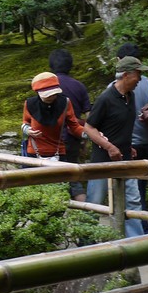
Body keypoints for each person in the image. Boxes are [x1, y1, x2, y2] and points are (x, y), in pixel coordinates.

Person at [83, 55, 148, 238]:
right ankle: (85, 242)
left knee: (133, 201)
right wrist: (109, 147)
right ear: (126, 75)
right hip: (102, 161)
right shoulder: (106, 98)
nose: (140, 79)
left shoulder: (130, 96)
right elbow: (89, 127)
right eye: (138, 74)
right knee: (95, 202)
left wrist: (128, 145)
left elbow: (120, 126)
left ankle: (134, 241)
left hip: (125, 158)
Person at [117, 43, 148, 234]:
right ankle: (141, 225)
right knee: (140, 186)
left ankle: (139, 227)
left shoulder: (116, 87)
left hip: (130, 144)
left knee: (131, 190)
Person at [49, 49, 92, 201]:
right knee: (74, 177)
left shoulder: (48, 86)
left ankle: (61, 212)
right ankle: (83, 210)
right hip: (73, 138)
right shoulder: (79, 86)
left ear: (51, 66)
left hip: (51, 140)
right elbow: (89, 116)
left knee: (53, 179)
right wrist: (85, 140)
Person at [21, 72, 85, 161]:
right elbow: (25, 123)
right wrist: (28, 131)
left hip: (58, 152)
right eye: (47, 95)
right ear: (37, 92)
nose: (51, 97)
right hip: (33, 153)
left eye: (54, 94)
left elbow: (74, 126)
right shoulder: (30, 104)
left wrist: (90, 134)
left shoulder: (65, 103)